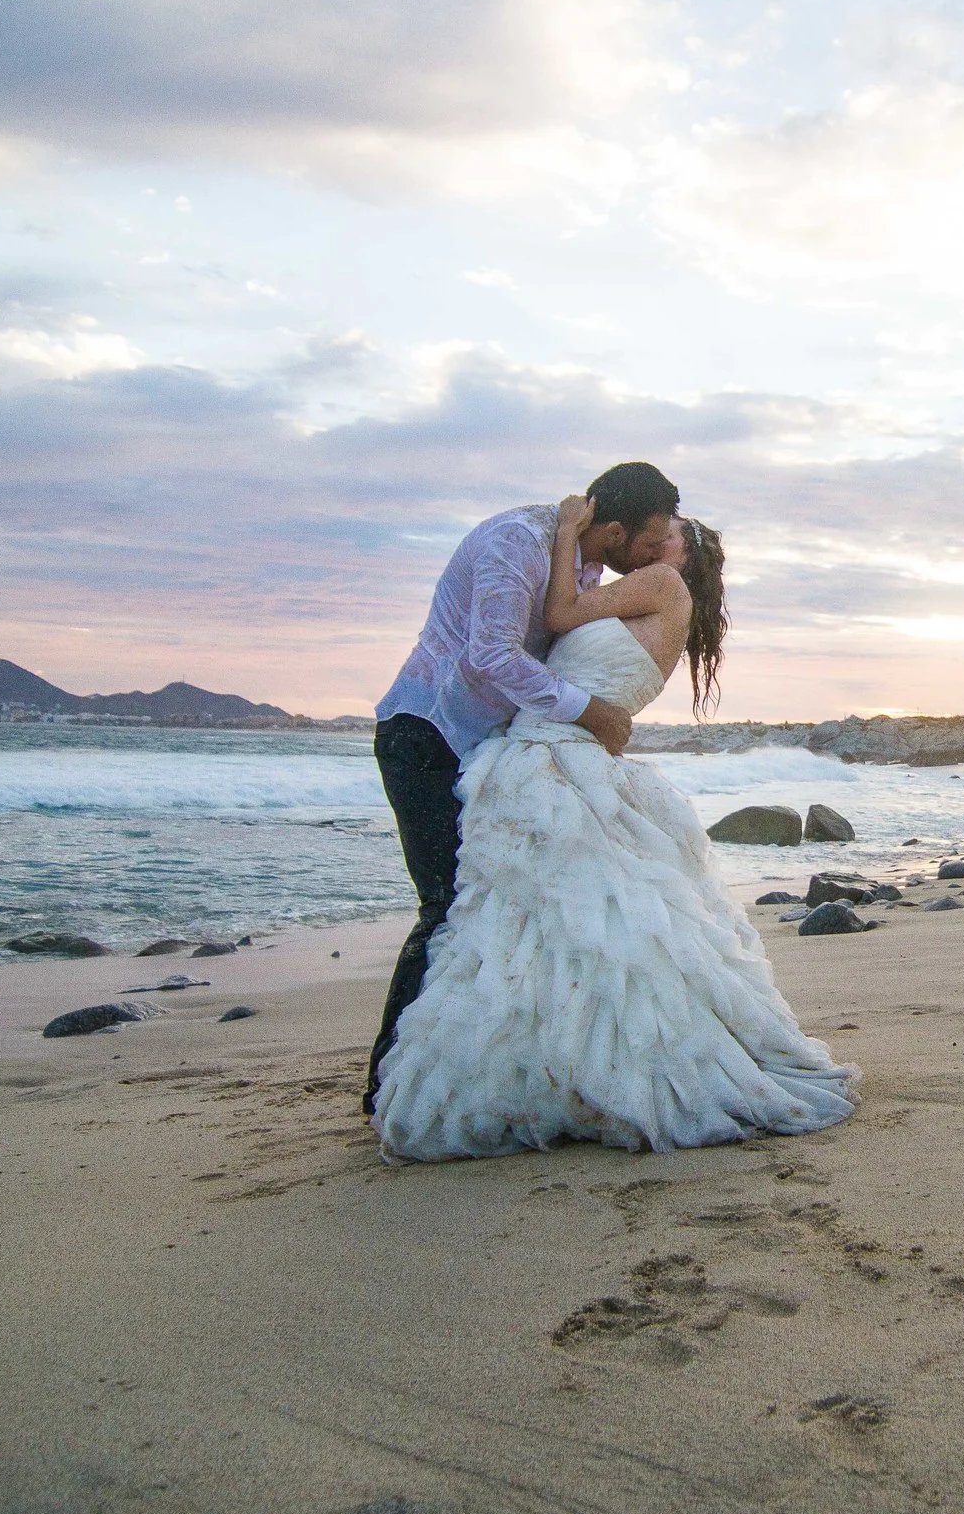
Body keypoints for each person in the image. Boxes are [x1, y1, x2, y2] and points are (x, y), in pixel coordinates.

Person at [369, 500, 856, 1161]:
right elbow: (552, 639)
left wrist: (568, 534)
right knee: (549, 930)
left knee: (518, 924)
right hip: (531, 754)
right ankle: (554, 1066)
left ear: (690, 552)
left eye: (672, 534)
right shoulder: (634, 592)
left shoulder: (659, 585)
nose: (661, 540)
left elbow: (556, 619)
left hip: (551, 759)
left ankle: (456, 1078)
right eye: (657, 529)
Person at [362, 463, 682, 1115]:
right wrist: (588, 709)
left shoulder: (583, 563)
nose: (653, 554)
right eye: (649, 543)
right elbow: (493, 655)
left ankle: (477, 1071)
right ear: (614, 530)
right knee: (447, 906)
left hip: (485, 748)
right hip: (426, 735)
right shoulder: (517, 543)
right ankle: (388, 1087)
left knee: (489, 905)